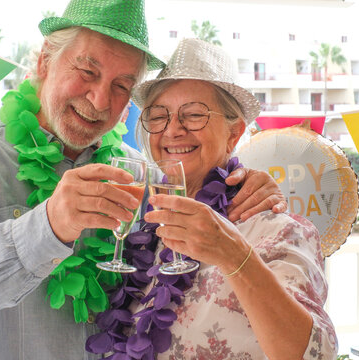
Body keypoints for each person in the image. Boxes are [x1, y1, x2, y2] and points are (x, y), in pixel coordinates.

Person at [0, 2, 286, 360]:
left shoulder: (140, 176)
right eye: (87, 72)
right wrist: (47, 226)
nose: (100, 101)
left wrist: (243, 180)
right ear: (46, 60)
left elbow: (198, 200)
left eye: (121, 86)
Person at [122, 38, 335, 359]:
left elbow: (314, 354)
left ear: (234, 133)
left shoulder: (277, 229)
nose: (173, 129)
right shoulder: (142, 223)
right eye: (158, 115)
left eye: (194, 114)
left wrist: (235, 257)